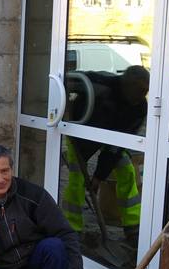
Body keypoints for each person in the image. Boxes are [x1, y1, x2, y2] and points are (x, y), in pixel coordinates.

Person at [62, 65, 150, 245]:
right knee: (76, 178)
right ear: (126, 85)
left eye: (145, 91)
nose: (142, 95)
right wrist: (65, 106)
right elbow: (67, 80)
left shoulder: (139, 108)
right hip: (80, 134)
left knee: (127, 171)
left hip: (109, 138)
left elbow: (116, 146)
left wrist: (99, 177)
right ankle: (73, 229)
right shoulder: (100, 84)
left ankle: (133, 226)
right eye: (139, 90)